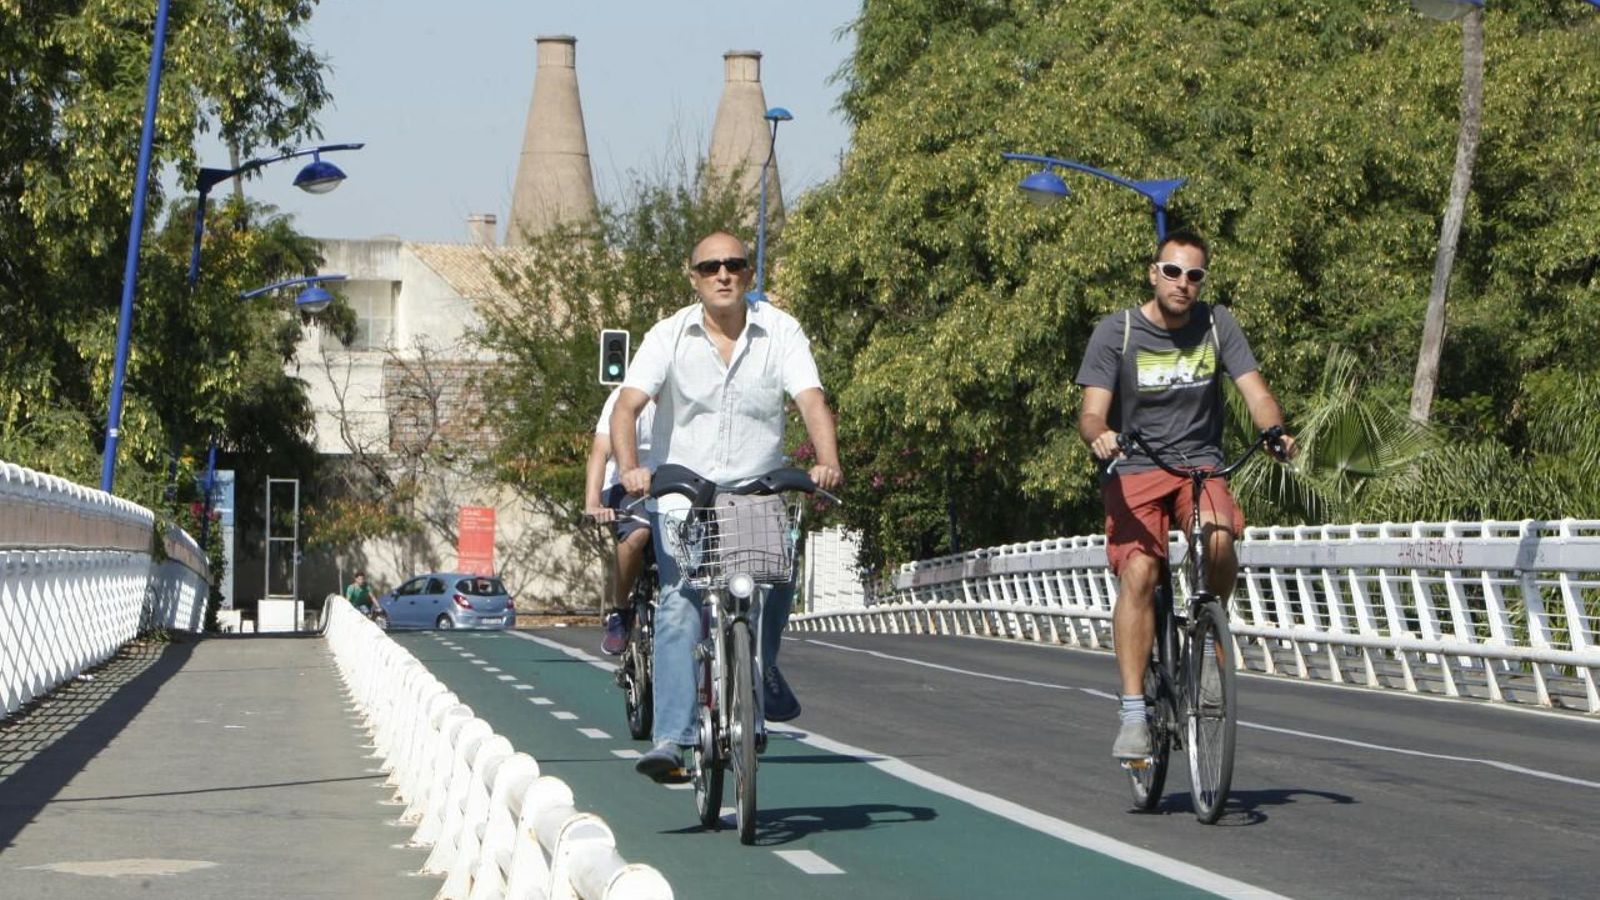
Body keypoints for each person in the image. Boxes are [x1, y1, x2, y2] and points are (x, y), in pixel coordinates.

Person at [610, 230, 844, 782]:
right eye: (710, 266)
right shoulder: (668, 335)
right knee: (679, 606)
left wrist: (827, 460)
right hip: (682, 497)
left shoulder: (780, 332)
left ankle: (760, 671)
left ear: (750, 274)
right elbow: (627, 408)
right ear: (693, 277)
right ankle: (672, 738)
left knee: (776, 580)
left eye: (734, 265)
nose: (723, 274)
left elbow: (810, 398)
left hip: (754, 490)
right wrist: (632, 470)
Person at [1074, 230, 1297, 761]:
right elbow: (1089, 412)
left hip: (1198, 464)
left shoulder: (1218, 325)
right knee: (1141, 573)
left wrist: (1274, 432)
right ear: (1154, 274)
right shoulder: (1119, 330)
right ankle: (1133, 713)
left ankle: (1205, 655)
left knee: (1219, 541)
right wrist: (1099, 433)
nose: (1183, 283)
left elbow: (1257, 392)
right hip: (1134, 467)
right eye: (1172, 272)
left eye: (1194, 275)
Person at [583, 385, 657, 655]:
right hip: (624, 483)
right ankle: (621, 610)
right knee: (638, 533)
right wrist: (592, 503)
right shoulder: (624, 398)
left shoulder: (690, 395)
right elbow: (600, 451)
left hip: (667, 482)